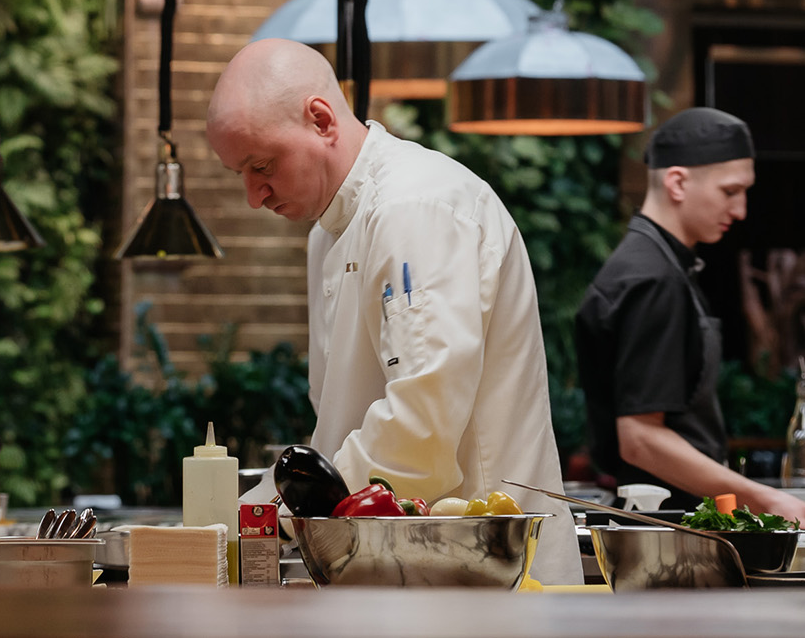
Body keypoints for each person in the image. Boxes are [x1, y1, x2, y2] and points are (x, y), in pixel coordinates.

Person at [207, 38, 582, 585]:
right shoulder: (328, 233)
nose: (252, 196)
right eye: (238, 173)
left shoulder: (415, 206)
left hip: (486, 578)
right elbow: (340, 431)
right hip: (403, 574)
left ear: (320, 119)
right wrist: (251, 512)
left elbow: (419, 430)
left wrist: (272, 512)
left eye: (261, 165)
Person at [575, 107, 804, 519]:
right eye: (730, 192)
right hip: (666, 528)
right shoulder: (653, 276)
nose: (741, 211)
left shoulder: (658, 264)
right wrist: (769, 501)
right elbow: (640, 438)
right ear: (677, 182)